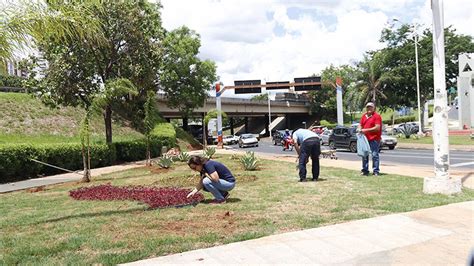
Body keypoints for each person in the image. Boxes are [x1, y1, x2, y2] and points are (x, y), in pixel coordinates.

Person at [358, 102, 382, 176]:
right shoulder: (364, 116)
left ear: (374, 108)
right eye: (368, 107)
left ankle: (376, 171)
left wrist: (365, 130)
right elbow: (360, 124)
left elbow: (377, 128)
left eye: (371, 107)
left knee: (374, 155)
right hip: (365, 139)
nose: (369, 109)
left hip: (374, 139)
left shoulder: (377, 116)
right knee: (364, 155)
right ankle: (365, 170)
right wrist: (359, 129)